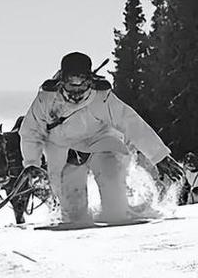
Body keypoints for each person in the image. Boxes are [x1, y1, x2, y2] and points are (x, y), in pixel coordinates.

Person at [18, 52, 184, 224]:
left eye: (82, 84)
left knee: (116, 209)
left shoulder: (102, 98)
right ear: (61, 81)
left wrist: (159, 156)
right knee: (74, 216)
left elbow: (131, 123)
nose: (76, 91)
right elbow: (30, 132)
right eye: (70, 84)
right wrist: (31, 163)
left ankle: (127, 214)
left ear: (90, 80)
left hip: (100, 142)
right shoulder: (46, 100)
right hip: (64, 149)